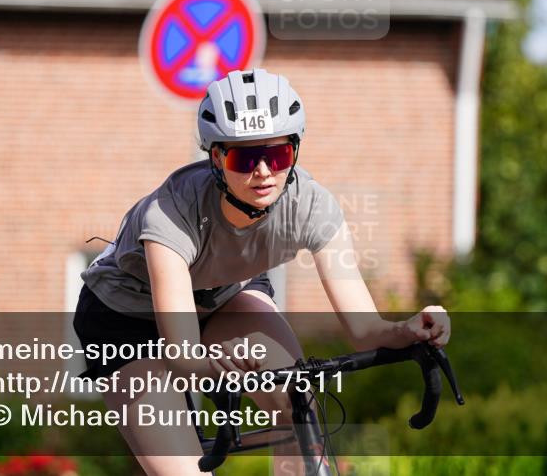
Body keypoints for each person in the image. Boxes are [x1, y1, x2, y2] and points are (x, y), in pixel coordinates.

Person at [73, 68, 451, 476]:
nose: (264, 172)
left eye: (277, 155)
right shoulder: (170, 213)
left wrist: (407, 329)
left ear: (295, 150)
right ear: (216, 158)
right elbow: (184, 355)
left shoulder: (312, 207)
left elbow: (364, 327)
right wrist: (212, 362)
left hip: (223, 298)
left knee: (297, 404)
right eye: (244, 157)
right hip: (126, 322)